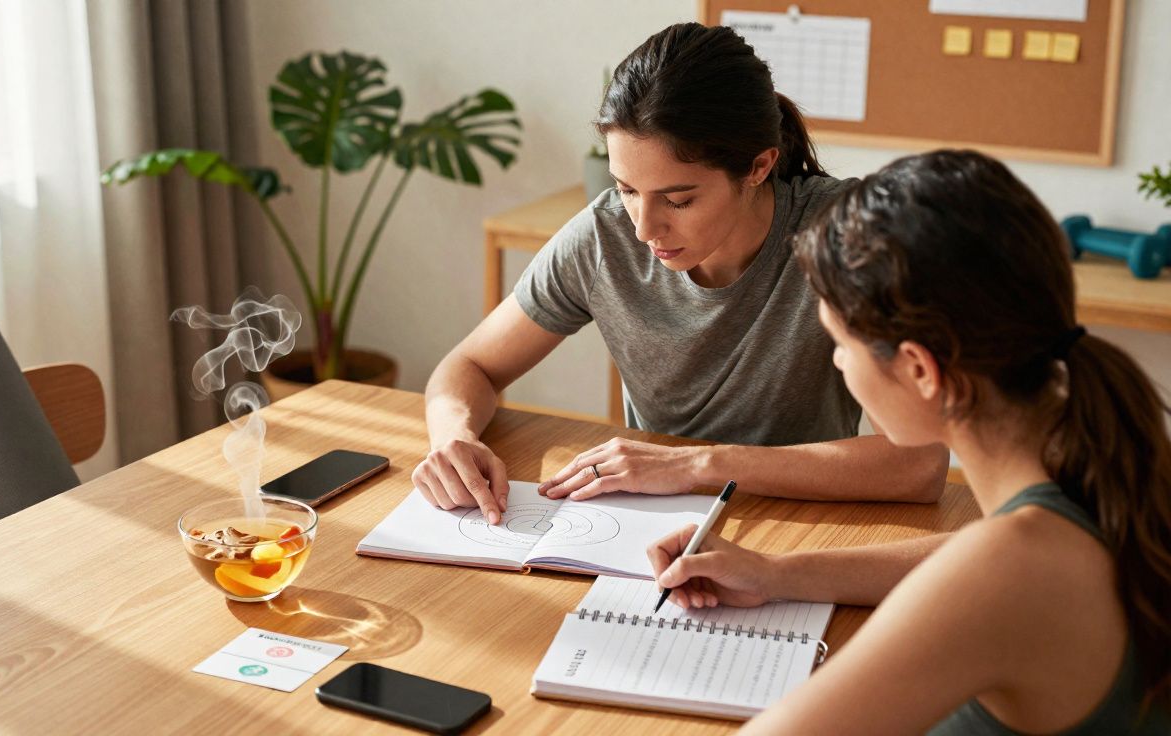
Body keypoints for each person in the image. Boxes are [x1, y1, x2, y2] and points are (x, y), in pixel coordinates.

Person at [649, 149, 1171, 734]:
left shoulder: (1011, 569)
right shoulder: (1103, 483)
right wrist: (775, 572)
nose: (839, 364)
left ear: (920, 369)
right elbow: (961, 557)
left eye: (840, 345)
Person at [413, 23, 947, 524]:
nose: (644, 228)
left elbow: (921, 464)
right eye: (626, 189)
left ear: (758, 166)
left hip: (808, 518)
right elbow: (470, 367)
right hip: (649, 523)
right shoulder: (604, 237)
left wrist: (699, 465)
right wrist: (454, 437)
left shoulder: (846, 236)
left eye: (679, 199)